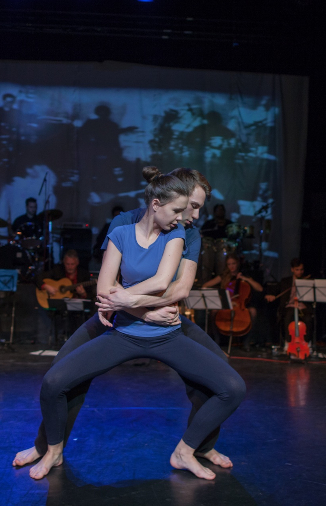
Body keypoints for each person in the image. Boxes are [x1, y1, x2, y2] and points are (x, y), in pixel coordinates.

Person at [23, 167, 246, 481]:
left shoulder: (187, 233)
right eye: (192, 206)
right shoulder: (124, 224)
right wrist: (142, 311)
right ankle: (47, 446)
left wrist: (140, 306)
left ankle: (199, 446)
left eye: (195, 208)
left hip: (164, 318)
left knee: (216, 373)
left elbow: (178, 289)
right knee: (62, 373)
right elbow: (108, 286)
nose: (194, 215)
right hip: (120, 316)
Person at [202, 254, 263, 349]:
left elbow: (259, 288)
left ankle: (247, 341)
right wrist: (219, 295)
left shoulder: (244, 275)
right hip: (226, 304)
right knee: (213, 312)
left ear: (237, 263)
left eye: (233, 263)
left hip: (241, 305)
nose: (231, 266)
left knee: (253, 311)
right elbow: (205, 285)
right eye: (229, 264)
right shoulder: (223, 276)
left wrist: (245, 279)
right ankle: (217, 340)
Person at [265, 258, 313, 349]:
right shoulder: (285, 281)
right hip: (290, 305)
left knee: (308, 319)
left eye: (301, 270)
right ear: (292, 269)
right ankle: (288, 342)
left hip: (303, 306)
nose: (299, 272)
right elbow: (275, 289)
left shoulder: (307, 281)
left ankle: (306, 342)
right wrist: (270, 295)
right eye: (297, 270)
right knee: (288, 316)